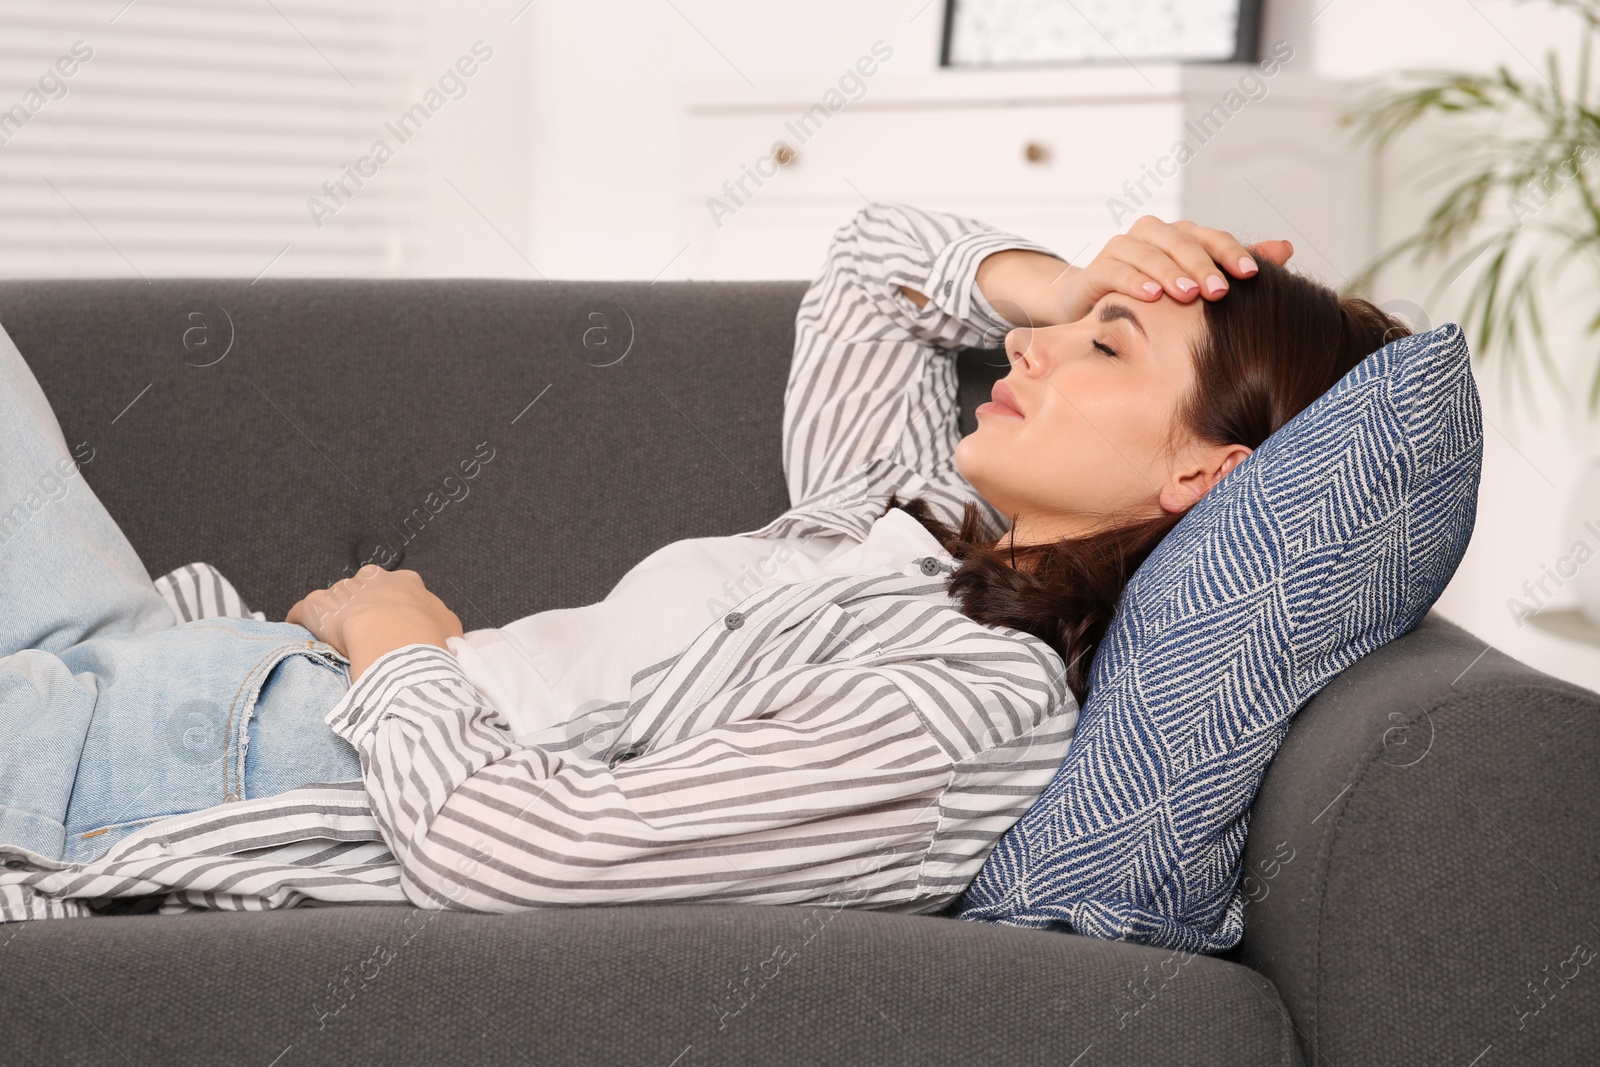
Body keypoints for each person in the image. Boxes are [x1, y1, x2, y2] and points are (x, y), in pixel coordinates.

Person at [0, 204, 1407, 920]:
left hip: (208, 759)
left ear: (1201, 477)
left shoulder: (966, 705)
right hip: (187, 662)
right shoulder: (917, 520)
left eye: (1105, 349)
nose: (1034, 347)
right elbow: (873, 265)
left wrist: (400, 646)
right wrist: (1077, 280)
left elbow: (530, 861)